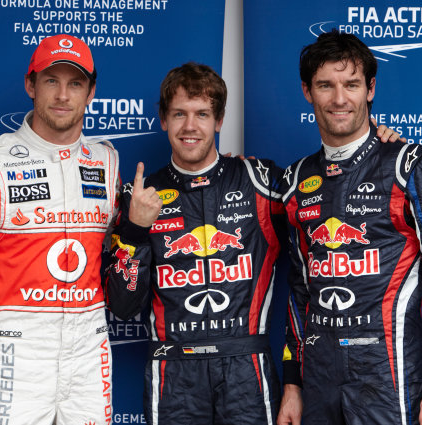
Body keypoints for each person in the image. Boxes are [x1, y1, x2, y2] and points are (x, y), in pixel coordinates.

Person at [105, 62, 400, 425]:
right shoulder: (141, 196)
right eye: (179, 114)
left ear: (220, 120)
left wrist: (373, 146)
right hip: (173, 373)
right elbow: (121, 305)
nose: (190, 126)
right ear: (163, 120)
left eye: (202, 113)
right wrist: (134, 230)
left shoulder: (263, 183)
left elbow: (329, 192)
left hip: (246, 371)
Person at [277, 30, 422, 425]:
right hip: (318, 380)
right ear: (306, 92)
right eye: (325, 85)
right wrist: (292, 384)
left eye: (351, 84)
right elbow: (301, 290)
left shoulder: (410, 166)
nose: (339, 99)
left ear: (370, 89)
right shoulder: (294, 181)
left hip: (391, 376)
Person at [0, 34, 120, 425]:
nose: (63, 95)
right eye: (51, 80)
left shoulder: (107, 162)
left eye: (75, 83)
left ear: (91, 92)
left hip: (89, 356)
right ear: (30, 85)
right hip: (15, 356)